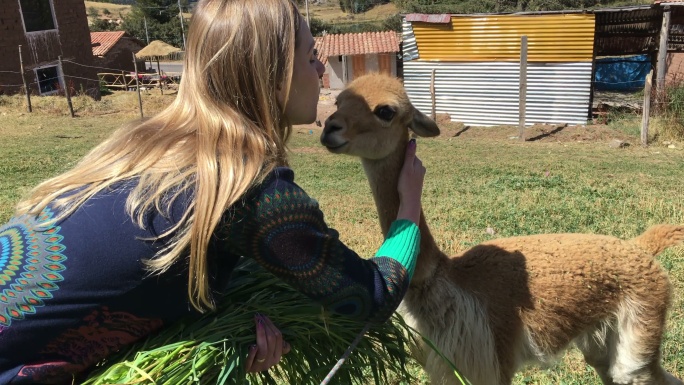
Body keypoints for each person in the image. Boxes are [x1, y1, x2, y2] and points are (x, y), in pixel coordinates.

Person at [0, 0, 426, 383]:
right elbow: (371, 297)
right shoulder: (249, 188)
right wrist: (407, 208)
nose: (320, 71)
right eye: (311, 56)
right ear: (274, 71)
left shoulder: (143, 144)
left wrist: (229, 338)